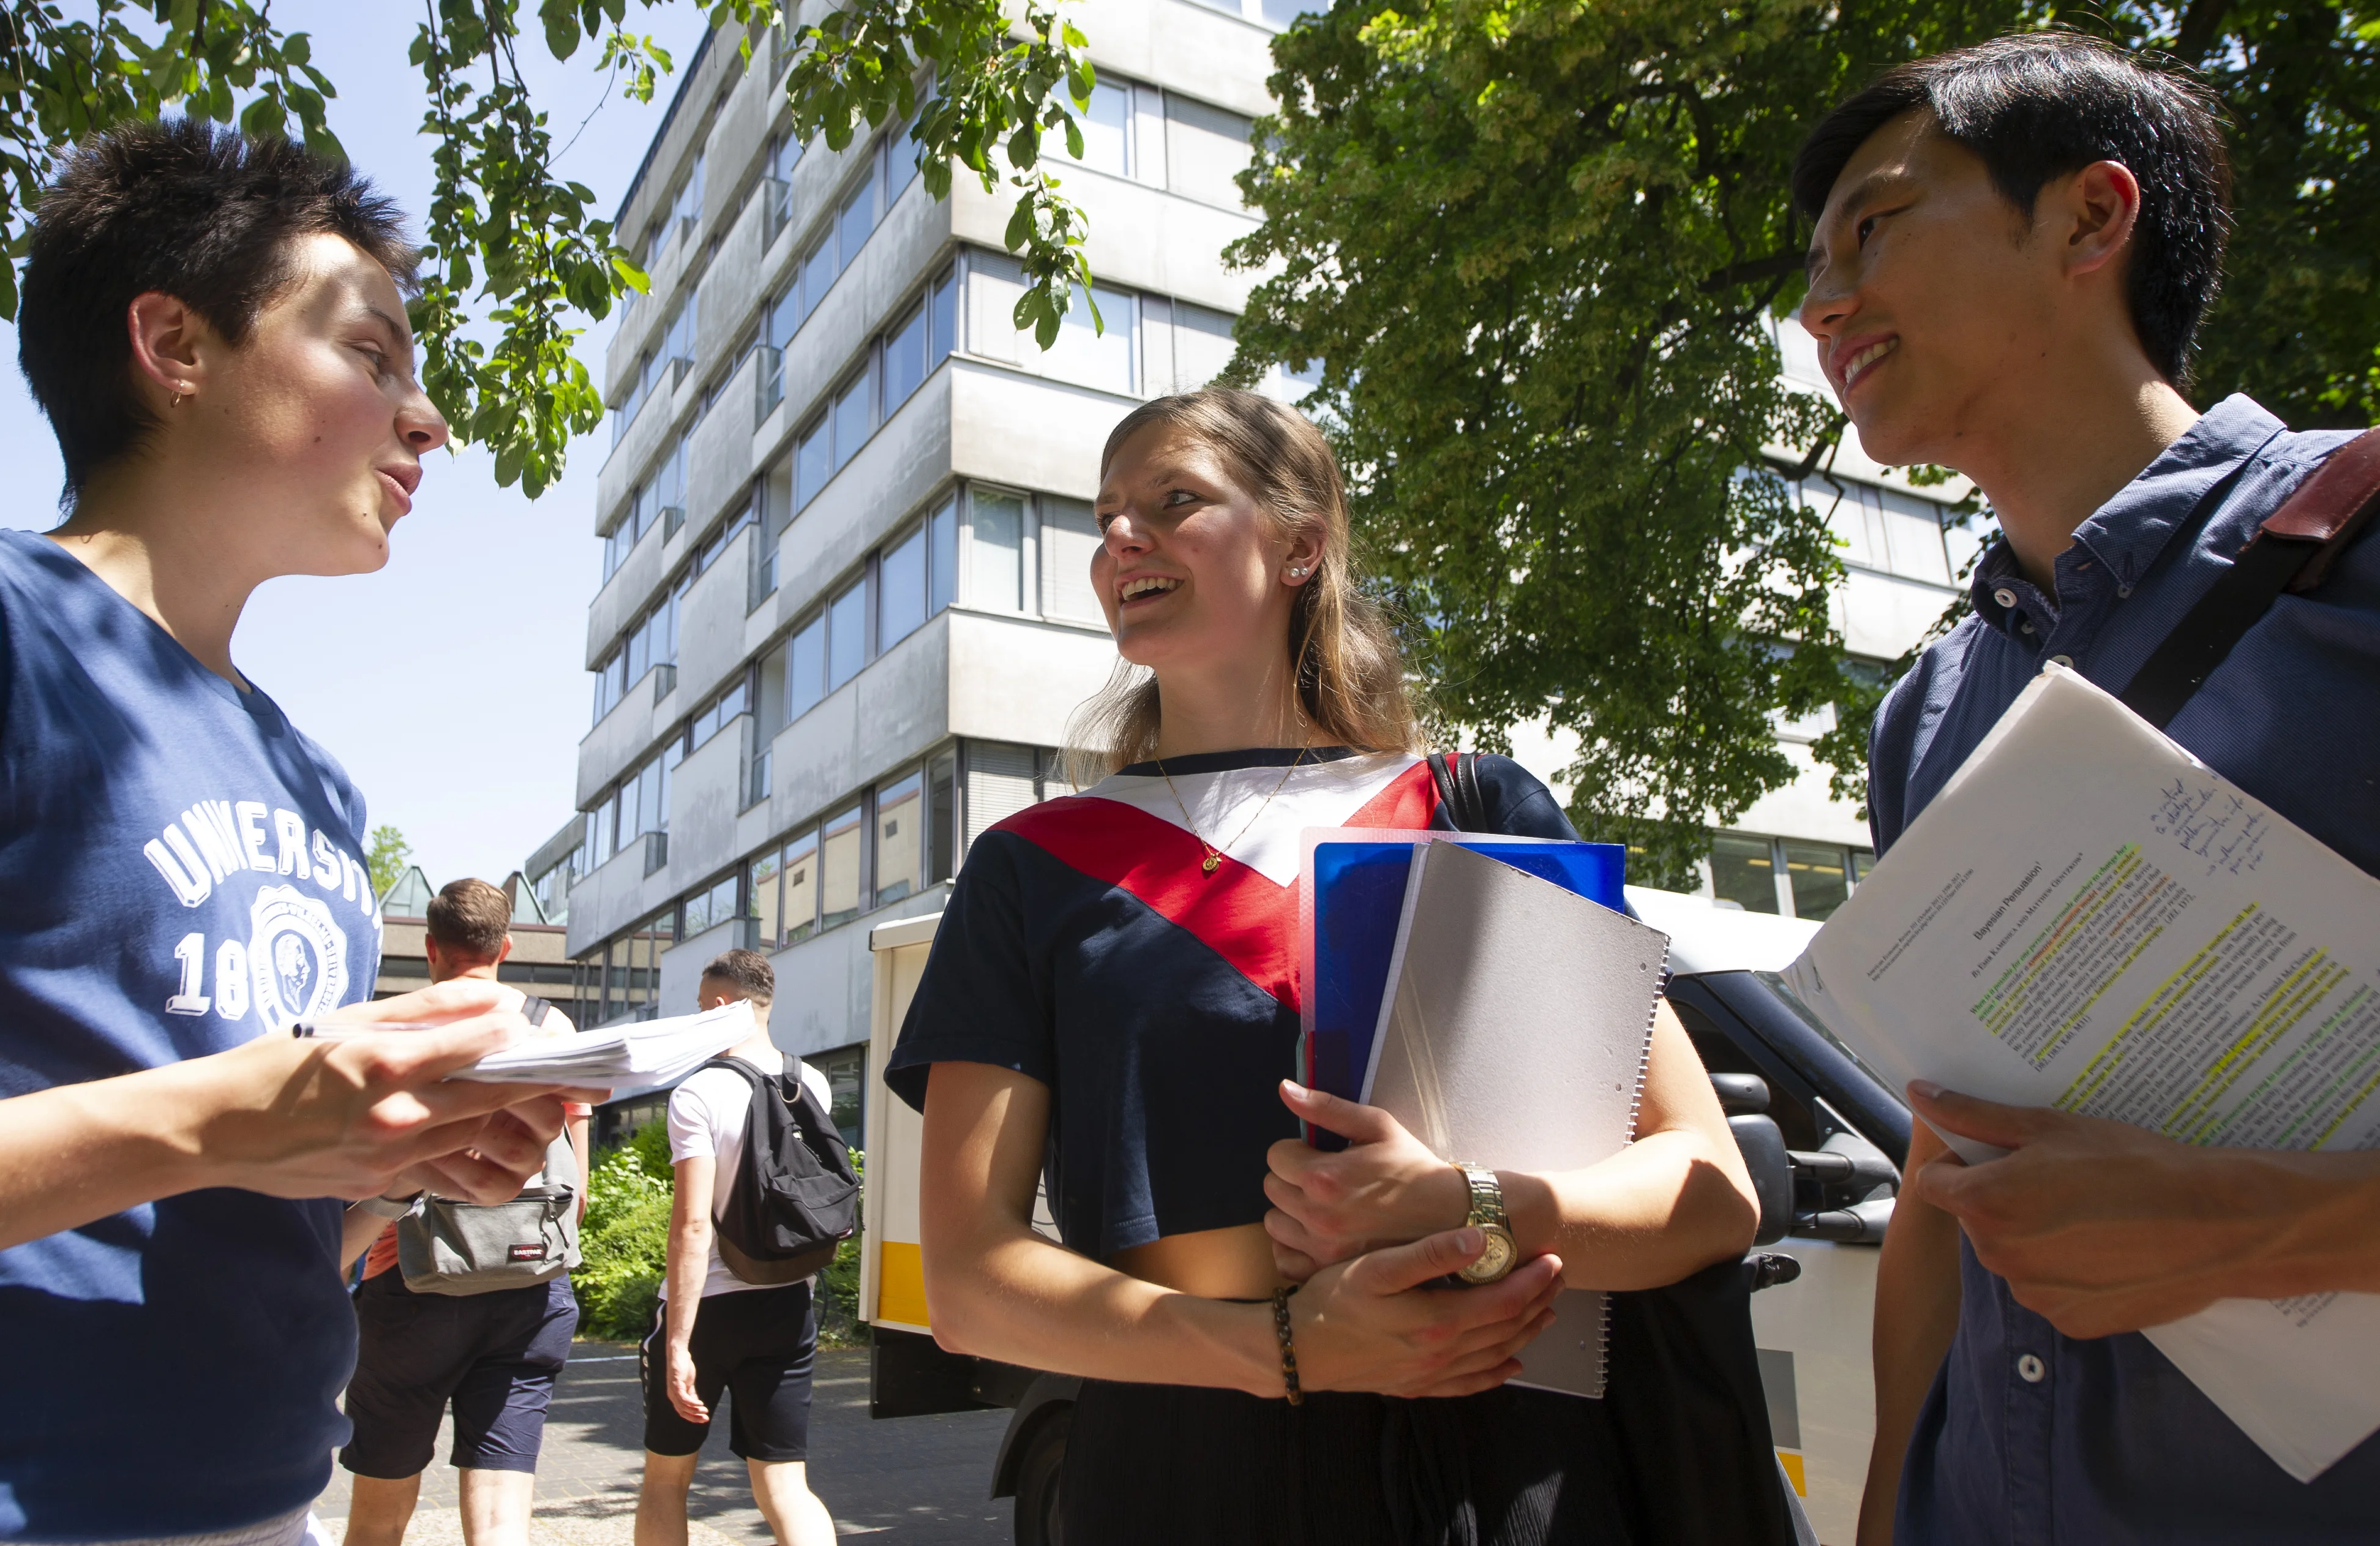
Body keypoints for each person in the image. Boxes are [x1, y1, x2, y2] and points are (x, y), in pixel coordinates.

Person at [0, 121, 574, 1546]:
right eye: (375, 354)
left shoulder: (318, 786)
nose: (430, 416)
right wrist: (208, 1117)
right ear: (175, 343)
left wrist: (391, 1157)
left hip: (263, 1508)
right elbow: (193, 1132)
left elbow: (241, 1202)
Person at [884, 386, 1763, 1544]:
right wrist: (1286, 1348)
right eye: (1104, 516)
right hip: (1183, 1482)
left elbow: (1709, 1192)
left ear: (1301, 545)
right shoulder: (1032, 870)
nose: (1117, 540)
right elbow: (972, 1283)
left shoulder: (1473, 810)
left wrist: (1463, 1203)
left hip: (1504, 1476)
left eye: (1172, 499)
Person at [1790, 31, 2380, 1544]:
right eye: (1813, 263)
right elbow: (1942, 1171)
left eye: (1876, 222)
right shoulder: (1927, 714)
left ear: (2090, 219)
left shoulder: (2362, 556)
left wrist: (2281, 1224)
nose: (1822, 303)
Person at [339, 877, 593, 1546]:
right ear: (505, 946)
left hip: (411, 1286)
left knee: (378, 1514)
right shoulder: (551, 1027)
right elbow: (578, 1184)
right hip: (531, 1285)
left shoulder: (397, 1029)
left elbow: (363, 1170)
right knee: (502, 1517)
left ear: (429, 948)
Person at [636, 950, 838, 1546]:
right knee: (785, 1488)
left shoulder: (697, 1093)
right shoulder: (812, 1083)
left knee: (666, 1482)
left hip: (709, 1306)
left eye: (701, 1009)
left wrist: (676, 1340)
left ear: (722, 1008)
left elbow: (692, 1226)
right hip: (788, 1304)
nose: (697, 1019)